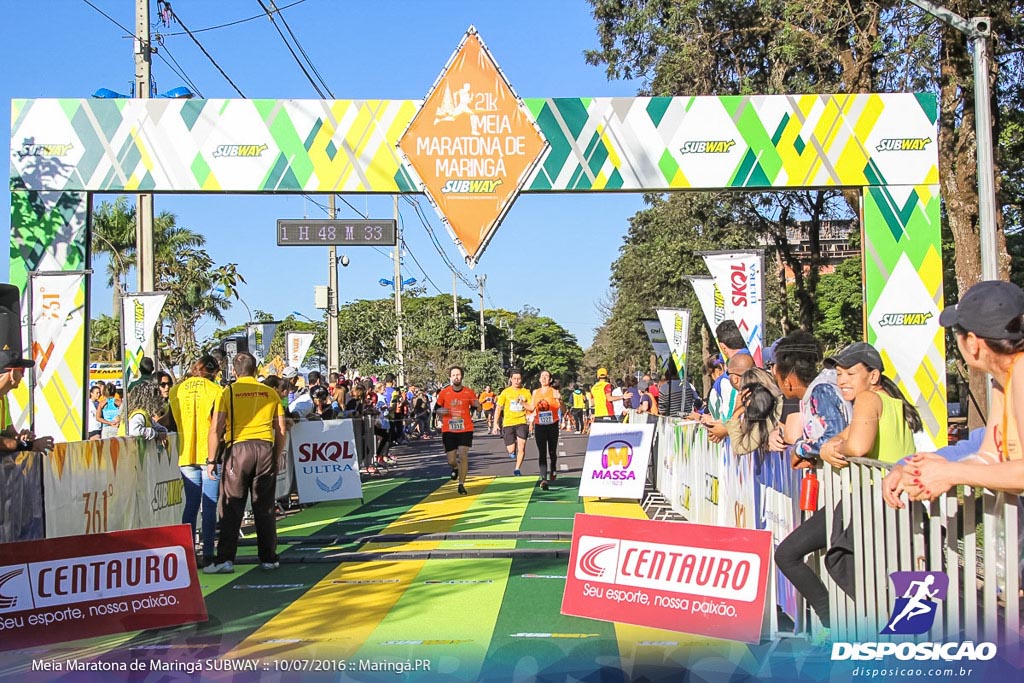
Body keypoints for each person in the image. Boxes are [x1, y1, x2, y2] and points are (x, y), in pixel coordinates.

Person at [883, 281, 1024, 505]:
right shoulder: (1003, 380)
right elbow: (989, 456)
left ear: (971, 342)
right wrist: (930, 471)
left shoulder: (1021, 372)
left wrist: (951, 473)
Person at [204, 352, 286, 574]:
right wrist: (276, 457)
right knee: (265, 506)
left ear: (234, 371)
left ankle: (225, 560)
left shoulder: (227, 392)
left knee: (231, 505)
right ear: (256, 369)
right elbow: (281, 429)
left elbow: (216, 428)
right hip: (265, 448)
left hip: (238, 450)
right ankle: (269, 558)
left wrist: (211, 460)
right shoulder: (270, 393)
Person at [169, 355, 222, 567]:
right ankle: (208, 552)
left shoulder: (176, 390)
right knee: (209, 505)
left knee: (190, 505)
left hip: (185, 453)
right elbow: (217, 426)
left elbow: (172, 420)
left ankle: (187, 553)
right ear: (215, 372)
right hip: (208, 455)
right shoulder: (217, 391)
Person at [434, 366, 481, 495]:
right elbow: (436, 408)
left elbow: (479, 408)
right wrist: (440, 411)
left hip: (465, 428)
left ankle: (461, 484)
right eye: (454, 375)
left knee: (463, 455)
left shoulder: (469, 392)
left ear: (462, 377)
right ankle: (455, 467)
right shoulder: (444, 392)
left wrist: (478, 406)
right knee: (451, 460)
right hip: (449, 430)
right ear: (450, 377)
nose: (456, 377)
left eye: (458, 375)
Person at [701, 353, 754, 441]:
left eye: (710, 375)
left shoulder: (724, 382)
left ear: (717, 371)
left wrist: (719, 426)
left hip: (735, 439)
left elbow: (728, 416)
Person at [492, 369, 532, 476]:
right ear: (511, 379)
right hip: (508, 423)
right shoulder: (505, 392)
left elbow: (531, 407)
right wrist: (495, 423)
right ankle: (512, 451)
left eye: (518, 378)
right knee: (511, 449)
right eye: (514, 379)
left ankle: (517, 468)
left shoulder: (526, 392)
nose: (517, 381)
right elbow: (499, 408)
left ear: (521, 379)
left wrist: (523, 403)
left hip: (521, 422)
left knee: (522, 446)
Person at [531, 370, 562, 489]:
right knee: (542, 452)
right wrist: (522, 403)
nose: (544, 378)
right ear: (539, 379)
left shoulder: (554, 392)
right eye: (542, 376)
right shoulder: (535, 392)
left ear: (550, 380)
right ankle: (544, 479)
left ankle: (553, 469)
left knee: (552, 451)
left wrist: (560, 399)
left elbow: (563, 410)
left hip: (552, 424)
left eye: (546, 376)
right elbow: (531, 407)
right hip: (539, 425)